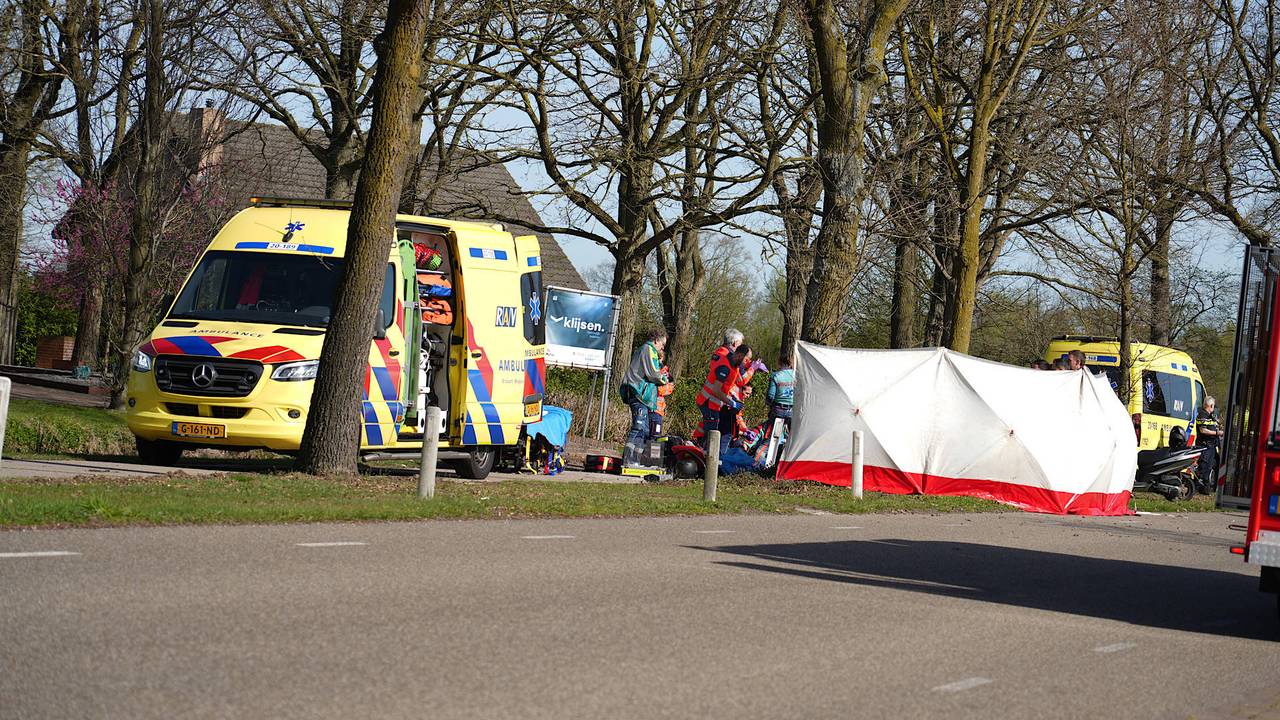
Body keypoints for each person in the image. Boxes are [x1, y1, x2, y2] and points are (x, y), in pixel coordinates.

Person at [619, 328, 670, 466]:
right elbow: (653, 374)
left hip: (643, 397)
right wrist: (664, 380)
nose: (662, 347)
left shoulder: (649, 351)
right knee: (639, 427)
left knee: (645, 430)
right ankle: (629, 460)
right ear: (656, 340)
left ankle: (635, 459)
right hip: (638, 394)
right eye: (662, 344)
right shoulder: (648, 349)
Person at [695, 342, 752, 455]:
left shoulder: (733, 365)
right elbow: (716, 390)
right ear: (740, 356)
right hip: (708, 402)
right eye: (747, 360)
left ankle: (708, 459)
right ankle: (707, 463)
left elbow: (727, 387)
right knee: (712, 435)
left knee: (712, 434)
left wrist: (734, 398)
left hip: (713, 403)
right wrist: (732, 403)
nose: (747, 363)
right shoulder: (725, 366)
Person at [1196, 395, 1221, 493]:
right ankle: (1201, 487)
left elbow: (1213, 426)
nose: (1214, 408)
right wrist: (1216, 433)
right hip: (1205, 445)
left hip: (1212, 445)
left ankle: (1210, 487)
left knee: (1214, 465)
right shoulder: (1202, 415)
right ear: (1210, 405)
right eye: (1213, 406)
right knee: (1204, 466)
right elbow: (1203, 430)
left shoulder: (1209, 416)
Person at [765, 359, 795, 435]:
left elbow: (770, 396)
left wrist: (769, 405)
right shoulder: (796, 375)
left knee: (774, 437)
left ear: (779, 363)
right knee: (792, 437)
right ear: (790, 364)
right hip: (792, 411)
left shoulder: (775, 375)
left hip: (778, 410)